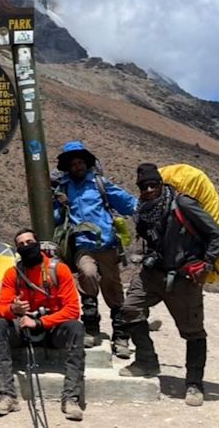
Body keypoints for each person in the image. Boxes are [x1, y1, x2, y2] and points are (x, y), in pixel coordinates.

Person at [119, 163, 219, 407]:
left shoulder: (182, 203)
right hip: (153, 273)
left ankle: (194, 383)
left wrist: (206, 264)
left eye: (154, 184)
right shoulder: (144, 209)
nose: (150, 189)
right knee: (130, 308)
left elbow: (214, 233)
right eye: (144, 186)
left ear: (161, 184)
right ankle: (146, 360)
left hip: (183, 277)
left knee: (193, 331)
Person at [53, 140, 137, 358]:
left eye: (80, 162)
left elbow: (128, 204)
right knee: (87, 275)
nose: (77, 167)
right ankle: (91, 329)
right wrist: (59, 205)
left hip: (106, 244)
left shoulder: (100, 184)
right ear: (67, 166)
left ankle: (120, 337)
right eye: (73, 164)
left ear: (86, 163)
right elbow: (55, 219)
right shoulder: (63, 189)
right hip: (82, 244)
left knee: (113, 288)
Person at [0, 229, 86, 420]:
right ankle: (7, 395)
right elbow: (0, 308)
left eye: (29, 242)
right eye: (21, 244)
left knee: (76, 327)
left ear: (38, 244)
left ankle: (71, 397)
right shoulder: (13, 273)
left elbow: (72, 310)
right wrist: (14, 309)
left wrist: (40, 322)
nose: (26, 246)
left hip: (53, 329)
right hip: (24, 329)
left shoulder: (59, 270)